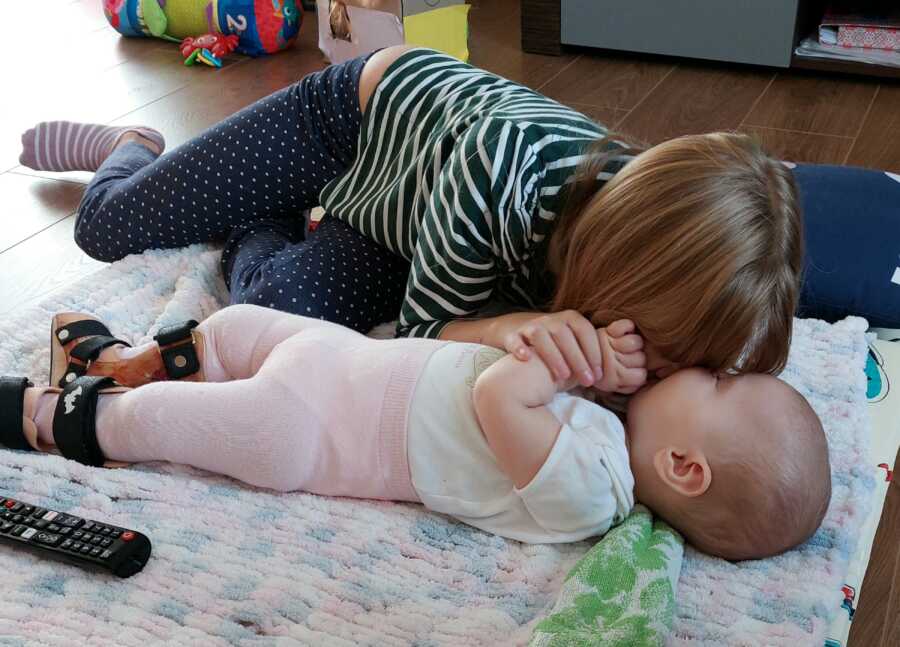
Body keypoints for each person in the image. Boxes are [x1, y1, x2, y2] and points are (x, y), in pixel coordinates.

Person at [18, 47, 899, 389]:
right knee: (111, 227)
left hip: (411, 218)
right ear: (608, 278)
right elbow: (428, 329)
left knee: (276, 315)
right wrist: (520, 326)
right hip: (348, 128)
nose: (644, 374)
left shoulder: (667, 263)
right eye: (649, 350)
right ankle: (135, 142)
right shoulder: (504, 169)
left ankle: (284, 219)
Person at [1, 304, 829, 559]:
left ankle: (49, 414)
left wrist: (574, 358)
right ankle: (125, 359)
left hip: (312, 431)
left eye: (718, 382)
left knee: (157, 425)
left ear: (684, 467)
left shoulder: (594, 492)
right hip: (348, 358)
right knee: (231, 326)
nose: (698, 366)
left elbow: (501, 398)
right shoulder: (605, 436)